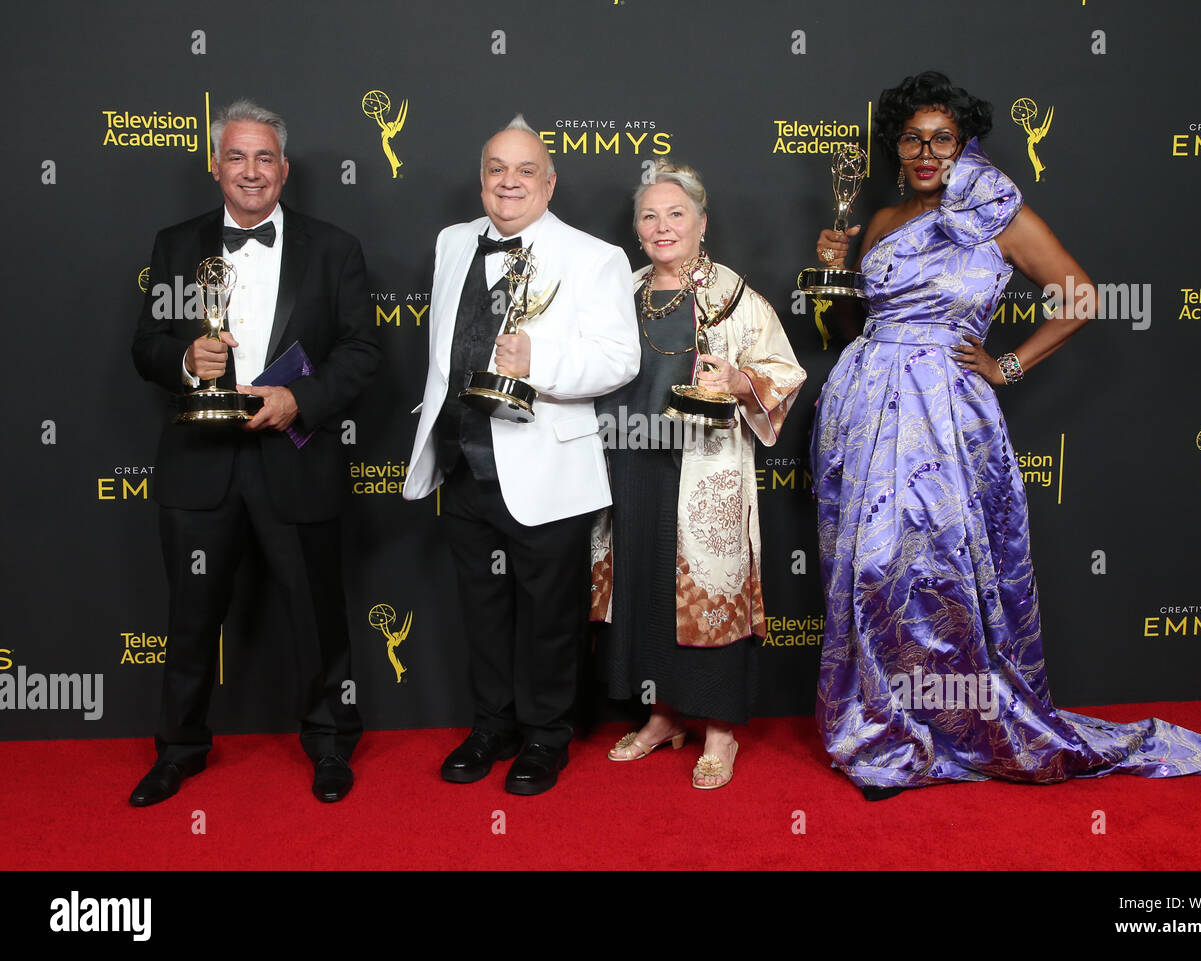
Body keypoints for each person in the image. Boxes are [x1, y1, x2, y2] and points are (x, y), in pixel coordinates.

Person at [810, 72, 1201, 800]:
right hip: (863, 408)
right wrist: (833, 275)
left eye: (943, 139)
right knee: (871, 569)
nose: (927, 152)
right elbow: (848, 328)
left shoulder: (997, 213)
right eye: (912, 138)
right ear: (895, 147)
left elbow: (1080, 295)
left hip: (945, 415)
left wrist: (1008, 363)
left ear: (965, 147)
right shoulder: (883, 220)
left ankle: (954, 730)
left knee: (939, 569)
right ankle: (887, 731)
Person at [130, 99, 380, 805]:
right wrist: (186, 358)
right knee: (189, 617)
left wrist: (302, 399)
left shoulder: (334, 248)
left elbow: (363, 352)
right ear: (215, 166)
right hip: (199, 465)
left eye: (264, 157)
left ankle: (331, 744)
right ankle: (178, 749)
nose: (250, 171)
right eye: (236, 156)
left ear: (284, 169)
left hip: (295, 459)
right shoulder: (175, 245)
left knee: (318, 612)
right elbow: (144, 345)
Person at [404, 115, 640, 796]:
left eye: (525, 170)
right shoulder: (452, 243)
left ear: (550, 181)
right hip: (464, 461)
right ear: (482, 180)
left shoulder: (595, 257)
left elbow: (620, 359)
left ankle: (546, 735)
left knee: (549, 616)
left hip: (547, 469)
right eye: (496, 170)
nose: (510, 182)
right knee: (482, 611)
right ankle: (492, 725)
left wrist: (542, 360)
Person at [591, 161, 806, 790]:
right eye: (649, 215)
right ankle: (660, 717)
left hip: (704, 470)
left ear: (702, 223)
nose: (662, 226)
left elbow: (784, 369)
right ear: (635, 228)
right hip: (630, 464)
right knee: (643, 592)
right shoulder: (621, 291)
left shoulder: (732, 295)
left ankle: (719, 731)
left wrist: (741, 381)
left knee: (709, 596)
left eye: (676, 214)